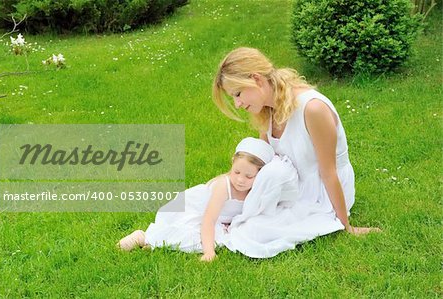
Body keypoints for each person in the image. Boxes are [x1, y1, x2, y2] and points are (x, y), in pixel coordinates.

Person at [212, 47, 381, 235]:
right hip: (292, 181)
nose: (238, 104)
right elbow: (262, 163)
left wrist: (345, 226)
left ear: (257, 79)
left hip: (322, 191)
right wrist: (228, 182)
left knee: (257, 232)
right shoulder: (266, 109)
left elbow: (329, 172)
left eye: (237, 94)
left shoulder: (313, 109)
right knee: (214, 203)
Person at [117, 137, 275, 261]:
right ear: (232, 163)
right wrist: (209, 252)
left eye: (249, 176)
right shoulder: (223, 186)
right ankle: (144, 237)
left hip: (219, 220)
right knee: (197, 238)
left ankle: (155, 244)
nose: (240, 180)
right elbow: (208, 219)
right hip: (198, 211)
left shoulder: (256, 190)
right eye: (237, 172)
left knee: (222, 239)